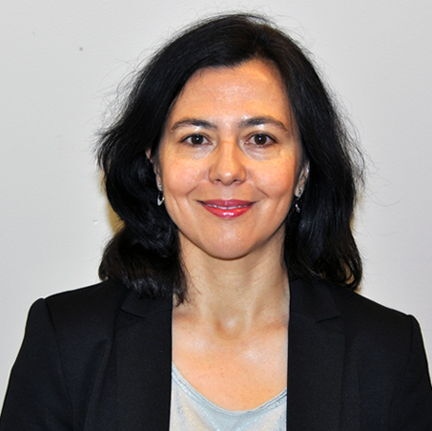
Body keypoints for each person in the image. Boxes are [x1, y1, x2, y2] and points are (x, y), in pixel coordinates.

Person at [1, 13, 431, 431]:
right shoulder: (67, 341)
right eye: (196, 139)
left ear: (303, 169)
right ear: (155, 165)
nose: (227, 170)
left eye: (260, 138)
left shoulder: (387, 352)